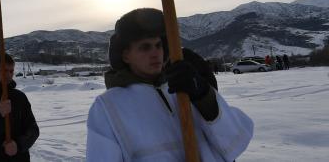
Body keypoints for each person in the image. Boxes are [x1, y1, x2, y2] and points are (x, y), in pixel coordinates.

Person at [86, 8, 254, 161]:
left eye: (158, 45)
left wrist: (204, 96)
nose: (155, 53)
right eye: (145, 47)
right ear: (125, 56)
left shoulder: (185, 89)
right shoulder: (108, 107)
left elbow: (235, 143)